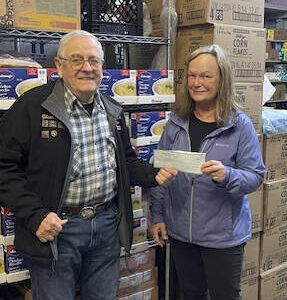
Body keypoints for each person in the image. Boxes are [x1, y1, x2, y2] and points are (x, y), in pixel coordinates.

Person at [0, 30, 177, 300]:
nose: (87, 67)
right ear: (59, 65)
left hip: (106, 226)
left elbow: (125, 162)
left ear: (103, 68)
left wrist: (154, 175)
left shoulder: (112, 109)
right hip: (57, 230)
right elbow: (4, 167)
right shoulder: (32, 107)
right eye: (77, 60)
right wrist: (35, 215)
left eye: (94, 61)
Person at [150, 44, 265, 300]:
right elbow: (161, 171)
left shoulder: (239, 126)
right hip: (181, 233)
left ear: (222, 79)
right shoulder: (176, 122)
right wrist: (157, 216)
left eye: (206, 76)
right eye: (192, 75)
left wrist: (228, 175)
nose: (197, 82)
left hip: (222, 238)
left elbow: (256, 175)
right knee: (191, 295)